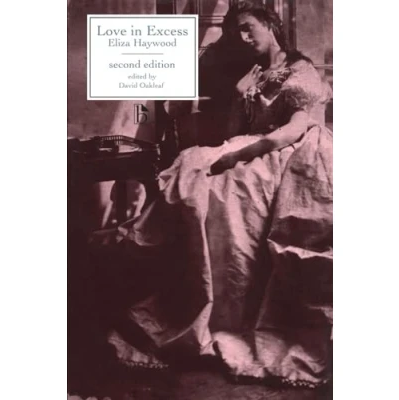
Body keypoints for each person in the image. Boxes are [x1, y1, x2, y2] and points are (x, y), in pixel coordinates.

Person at [96, 1, 333, 389]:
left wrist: (238, 155)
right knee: (192, 165)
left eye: (248, 27)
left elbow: (290, 131)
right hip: (250, 142)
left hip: (286, 151)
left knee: (227, 185)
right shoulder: (253, 73)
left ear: (270, 24)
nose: (243, 36)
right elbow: (234, 130)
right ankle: (164, 276)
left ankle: (217, 306)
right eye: (236, 31)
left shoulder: (300, 70)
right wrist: (239, 98)